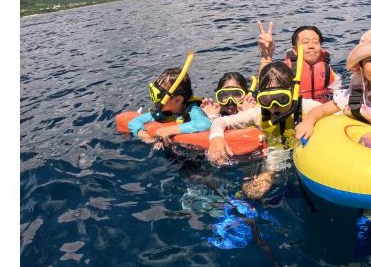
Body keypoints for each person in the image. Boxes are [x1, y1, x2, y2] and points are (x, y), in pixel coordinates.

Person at [208, 60, 329, 198]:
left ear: (293, 93)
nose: (274, 105)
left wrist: (312, 119)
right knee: (250, 192)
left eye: (282, 98)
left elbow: (336, 113)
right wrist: (216, 138)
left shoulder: (306, 108)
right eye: (266, 100)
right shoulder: (257, 113)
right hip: (269, 156)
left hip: (299, 158)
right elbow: (220, 121)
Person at [128, 53, 212, 141]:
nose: (154, 99)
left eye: (159, 95)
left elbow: (205, 123)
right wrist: (146, 137)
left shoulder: (192, 109)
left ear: (177, 100)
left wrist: (168, 130)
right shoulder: (163, 111)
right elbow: (134, 122)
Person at [257, 21, 340, 103]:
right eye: (305, 42)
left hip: (323, 110)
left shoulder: (327, 70)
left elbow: (338, 93)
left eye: (315, 42)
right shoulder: (285, 71)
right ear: (295, 50)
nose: (311, 46)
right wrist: (266, 58)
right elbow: (265, 91)